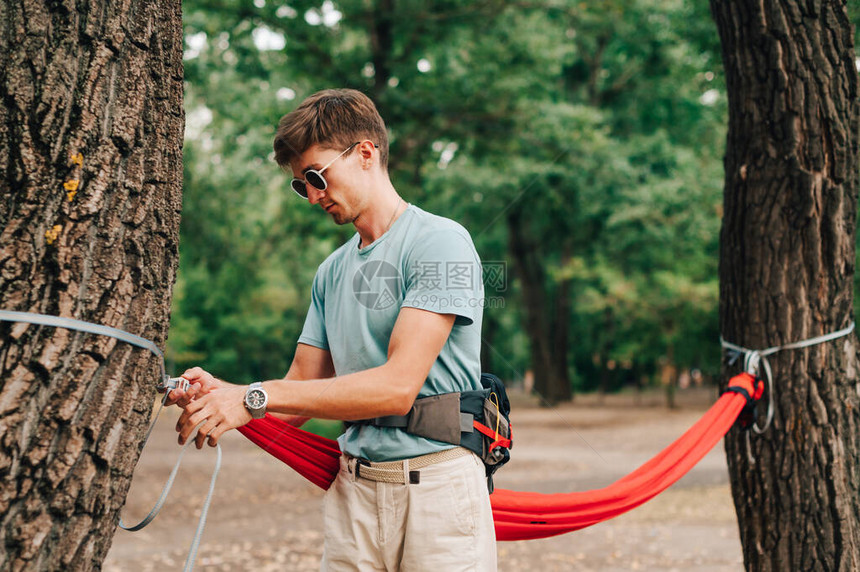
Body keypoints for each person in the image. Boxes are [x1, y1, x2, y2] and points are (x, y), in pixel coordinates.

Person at [169, 88, 497, 571]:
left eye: (317, 176)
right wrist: (222, 398)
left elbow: (396, 389)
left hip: (439, 492)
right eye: (302, 185)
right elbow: (296, 396)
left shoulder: (439, 243)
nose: (313, 196)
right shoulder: (331, 271)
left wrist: (252, 395)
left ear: (365, 153)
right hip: (353, 494)